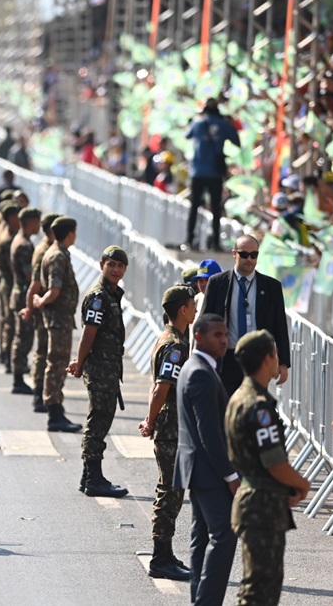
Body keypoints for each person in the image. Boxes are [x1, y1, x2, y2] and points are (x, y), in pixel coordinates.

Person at [225, 330, 311, 605]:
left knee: (260, 586)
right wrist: (302, 484)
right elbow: (275, 463)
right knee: (259, 589)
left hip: (255, 500)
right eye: (275, 353)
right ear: (266, 359)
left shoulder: (240, 397)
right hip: (261, 505)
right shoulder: (259, 407)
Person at [174, 312, 238, 606]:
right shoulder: (200, 371)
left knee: (202, 538)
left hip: (197, 469)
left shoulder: (196, 366)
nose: (224, 340)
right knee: (224, 535)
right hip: (209, 471)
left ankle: (199, 600)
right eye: (217, 335)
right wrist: (231, 475)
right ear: (198, 336)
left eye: (225, 334)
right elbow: (208, 432)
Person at [139, 285, 198, 582]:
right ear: (182, 310)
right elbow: (162, 387)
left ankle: (165, 553)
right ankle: (160, 557)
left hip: (171, 426)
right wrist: (150, 420)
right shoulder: (176, 345)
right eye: (192, 304)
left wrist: (152, 419)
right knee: (170, 492)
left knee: (172, 490)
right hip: (171, 428)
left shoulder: (171, 339)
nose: (196, 309)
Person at [68, 246, 130, 498]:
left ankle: (88, 476)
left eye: (120, 266)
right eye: (111, 264)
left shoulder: (111, 294)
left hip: (108, 367)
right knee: (99, 420)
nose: (116, 270)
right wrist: (80, 362)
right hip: (100, 368)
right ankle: (94, 477)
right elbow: (88, 334)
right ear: (101, 264)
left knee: (101, 418)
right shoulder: (99, 296)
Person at [201, 234, 290, 397]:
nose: (249, 259)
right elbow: (205, 322)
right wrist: (202, 358)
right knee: (226, 408)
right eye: (244, 254)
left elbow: (280, 326)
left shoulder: (271, 287)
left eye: (254, 255)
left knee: (255, 407)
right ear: (234, 254)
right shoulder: (217, 283)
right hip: (227, 358)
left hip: (258, 359)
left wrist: (283, 363)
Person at [34, 217, 83, 433]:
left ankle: (57, 409)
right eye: (74, 231)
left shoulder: (58, 253)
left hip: (61, 317)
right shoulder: (58, 256)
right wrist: (41, 301)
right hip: (58, 318)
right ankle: (54, 413)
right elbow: (54, 290)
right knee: (56, 363)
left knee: (56, 362)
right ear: (69, 233)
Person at [184, 98, 239, 251]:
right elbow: (236, 141)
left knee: (194, 206)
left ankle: (189, 240)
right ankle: (216, 242)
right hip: (215, 173)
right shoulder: (224, 125)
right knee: (216, 208)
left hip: (198, 172)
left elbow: (186, 135)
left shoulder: (198, 122)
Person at [22, 213, 60, 413]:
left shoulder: (45, 248)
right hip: (45, 309)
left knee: (44, 352)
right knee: (44, 353)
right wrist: (32, 306)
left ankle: (40, 393)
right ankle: (39, 394)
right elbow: (35, 283)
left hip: (44, 308)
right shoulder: (46, 251)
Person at [10, 208, 42, 395]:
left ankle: (18, 376)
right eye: (37, 222)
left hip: (20, 294)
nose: (38, 226)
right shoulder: (24, 245)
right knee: (23, 339)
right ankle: (18, 378)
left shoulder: (22, 241)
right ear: (30, 222)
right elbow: (30, 275)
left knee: (22, 337)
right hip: (23, 296)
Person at [0, 201, 21, 373]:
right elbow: (13, 268)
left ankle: (4, 352)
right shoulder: (8, 239)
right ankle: (6, 355)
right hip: (9, 283)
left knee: (6, 319)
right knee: (9, 321)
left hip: (6, 281)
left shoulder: (6, 234)